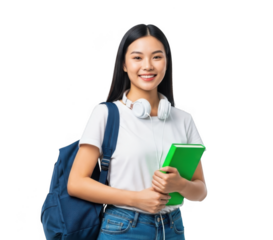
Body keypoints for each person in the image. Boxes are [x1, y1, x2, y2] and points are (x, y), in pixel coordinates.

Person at [67, 23, 207, 240]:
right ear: (124, 64)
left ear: (167, 63)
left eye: (157, 57)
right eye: (137, 57)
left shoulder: (184, 119)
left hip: (174, 228)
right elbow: (76, 183)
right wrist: (135, 199)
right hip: (123, 227)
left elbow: (201, 192)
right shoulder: (106, 114)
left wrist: (181, 185)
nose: (148, 66)